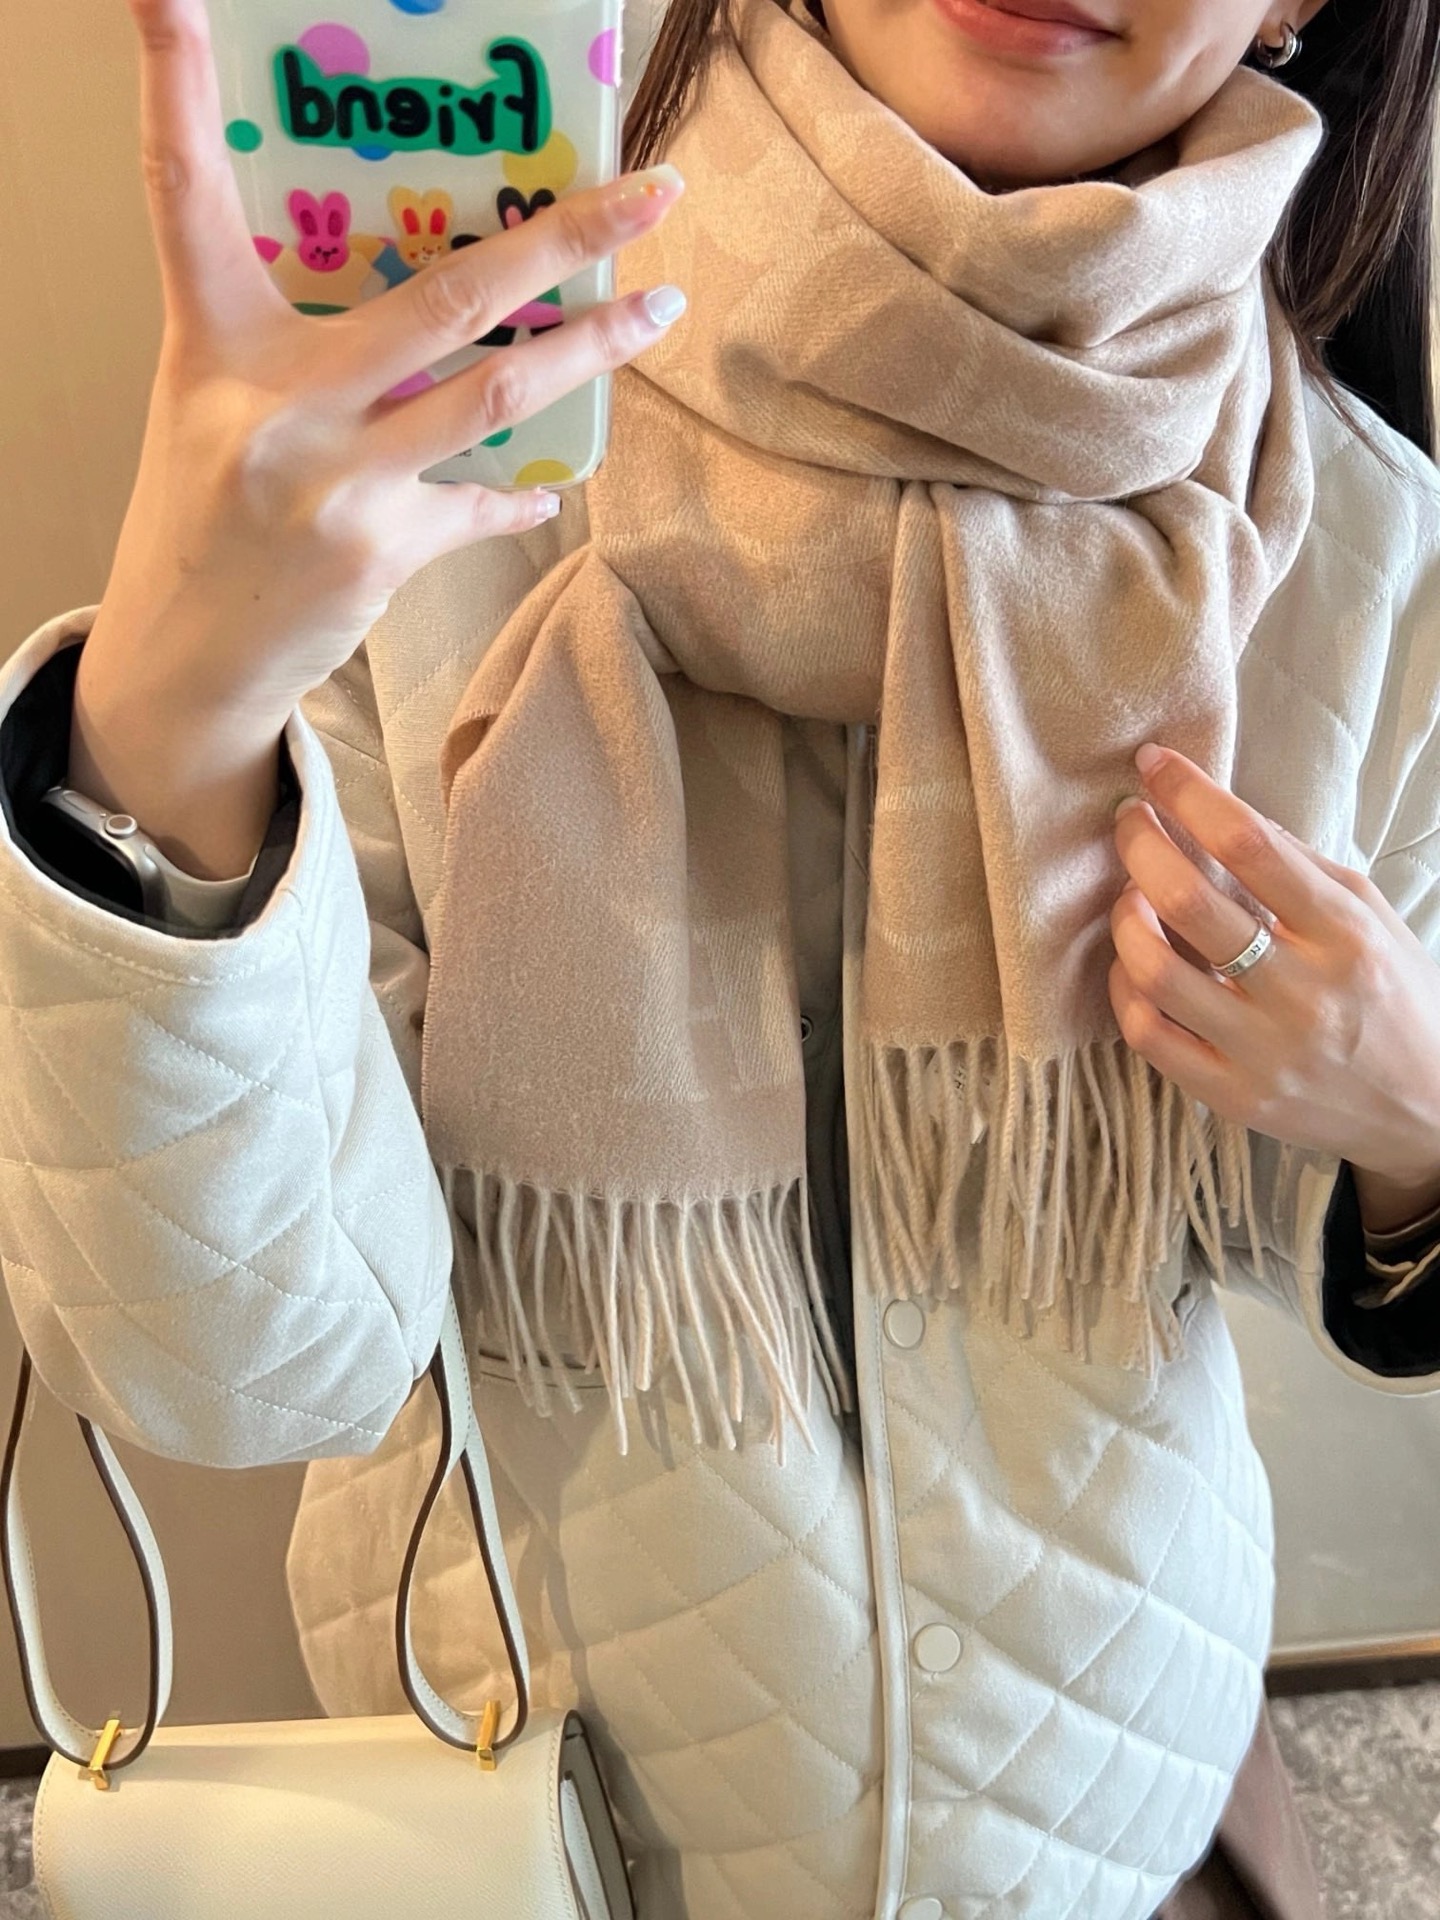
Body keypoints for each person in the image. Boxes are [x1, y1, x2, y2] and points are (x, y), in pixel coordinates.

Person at [3, 0, 1440, 1915]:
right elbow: (247, 1377)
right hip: (541, 1822)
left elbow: (1262, 1222)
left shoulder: (1353, 532)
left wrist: (1414, 1115)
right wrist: (168, 728)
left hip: (1097, 1793)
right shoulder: (421, 453)